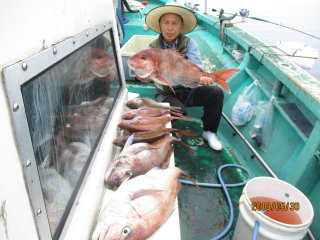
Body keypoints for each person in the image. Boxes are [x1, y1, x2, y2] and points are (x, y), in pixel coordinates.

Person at [145, 5, 224, 151]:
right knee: (178, 110)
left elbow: (195, 66)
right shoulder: (151, 50)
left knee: (216, 92)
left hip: (189, 91)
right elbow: (146, 77)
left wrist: (202, 76)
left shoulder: (190, 44)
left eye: (175, 23)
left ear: (181, 26)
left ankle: (209, 132)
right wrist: (143, 74)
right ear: (160, 25)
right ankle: (166, 135)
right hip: (166, 94)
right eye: (166, 22)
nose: (170, 27)